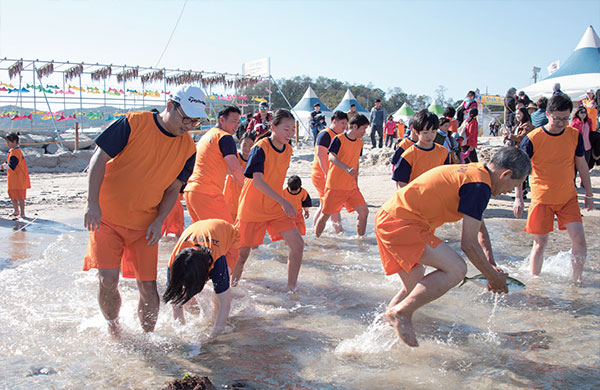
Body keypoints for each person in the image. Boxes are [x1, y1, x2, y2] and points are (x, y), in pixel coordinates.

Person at [376, 147, 531, 346]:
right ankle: (402, 313)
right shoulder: (479, 186)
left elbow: (480, 228)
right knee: (457, 269)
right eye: (515, 185)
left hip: (389, 217)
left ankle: (383, 327)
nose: (511, 191)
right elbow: (469, 244)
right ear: (506, 174)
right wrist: (493, 279)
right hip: (401, 222)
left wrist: (491, 264)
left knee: (415, 285)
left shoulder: (477, 173)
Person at [83, 84, 203, 336]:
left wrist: (159, 221)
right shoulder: (132, 123)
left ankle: (148, 338)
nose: (188, 125)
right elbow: (98, 158)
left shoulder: (188, 149)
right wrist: (92, 203)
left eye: (195, 121)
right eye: (185, 118)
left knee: (148, 286)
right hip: (105, 218)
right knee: (107, 280)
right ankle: (114, 328)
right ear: (170, 105)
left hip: (145, 224)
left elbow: (173, 190)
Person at [513, 93, 594, 283]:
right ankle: (534, 284)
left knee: (579, 240)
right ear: (548, 114)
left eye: (565, 119)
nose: (561, 123)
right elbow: (520, 170)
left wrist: (589, 194)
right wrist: (519, 197)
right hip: (541, 198)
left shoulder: (574, 136)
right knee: (540, 245)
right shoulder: (533, 138)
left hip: (568, 197)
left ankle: (577, 281)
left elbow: (582, 165)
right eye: (557, 118)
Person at [231, 109, 303, 291]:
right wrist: (284, 201)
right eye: (286, 129)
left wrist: (283, 201)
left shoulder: (288, 150)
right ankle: (229, 290)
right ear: (273, 127)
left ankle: (291, 290)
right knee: (241, 255)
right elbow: (258, 181)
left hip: (274, 208)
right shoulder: (260, 147)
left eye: (292, 130)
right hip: (251, 207)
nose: (290, 133)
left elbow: (277, 178)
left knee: (297, 244)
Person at [163, 219, 239, 337]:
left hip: (230, 237)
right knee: (181, 294)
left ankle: (214, 319)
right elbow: (175, 300)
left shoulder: (217, 262)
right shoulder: (175, 264)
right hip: (200, 231)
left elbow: (225, 303)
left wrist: (214, 336)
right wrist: (181, 333)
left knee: (220, 291)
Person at [184, 106, 245, 224]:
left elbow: (223, 168)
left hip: (192, 191)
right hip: (207, 193)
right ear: (222, 120)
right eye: (234, 121)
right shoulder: (225, 137)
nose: (236, 126)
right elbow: (235, 168)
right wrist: (248, 187)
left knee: (204, 238)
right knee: (227, 234)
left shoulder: (207, 135)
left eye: (238, 122)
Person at [314, 114, 370, 237]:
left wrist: (356, 183)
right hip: (335, 186)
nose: (364, 132)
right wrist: (346, 168)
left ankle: (360, 240)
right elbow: (331, 157)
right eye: (363, 128)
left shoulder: (360, 143)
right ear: (355, 126)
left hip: (351, 187)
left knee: (364, 212)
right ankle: (316, 239)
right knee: (325, 214)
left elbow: (356, 163)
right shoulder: (339, 139)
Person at [311, 111, 348, 233]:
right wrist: (327, 174)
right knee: (333, 204)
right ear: (334, 121)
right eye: (342, 123)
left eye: (346, 124)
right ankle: (340, 233)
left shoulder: (339, 136)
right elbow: (321, 155)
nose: (344, 126)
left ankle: (314, 231)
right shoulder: (325, 134)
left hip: (330, 175)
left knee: (324, 205)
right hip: (321, 175)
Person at [393, 110, 450, 188]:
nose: (429, 136)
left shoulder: (443, 152)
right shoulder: (408, 155)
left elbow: (446, 176)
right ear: (416, 131)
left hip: (436, 196)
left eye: (433, 132)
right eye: (425, 132)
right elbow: (401, 183)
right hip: (415, 197)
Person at [223, 133, 255, 221]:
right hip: (231, 199)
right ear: (239, 144)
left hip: (247, 201)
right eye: (244, 145)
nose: (247, 148)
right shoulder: (234, 157)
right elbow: (228, 169)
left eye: (251, 145)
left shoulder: (255, 161)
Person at [271, 175, 312, 241]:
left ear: (300, 185)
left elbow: (306, 202)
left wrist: (306, 211)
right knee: (286, 233)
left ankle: (300, 243)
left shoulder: (303, 192)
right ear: (287, 185)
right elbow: (278, 204)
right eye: (292, 190)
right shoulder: (283, 192)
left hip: (298, 216)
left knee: (301, 232)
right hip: (286, 216)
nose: (294, 192)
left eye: (296, 191)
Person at [2, 132, 30, 218]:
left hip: (18, 178)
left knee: (20, 196)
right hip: (14, 178)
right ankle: (16, 211)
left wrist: (3, 167)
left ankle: (22, 213)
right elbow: (10, 162)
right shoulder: (13, 151)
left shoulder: (15, 152)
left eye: (8, 142)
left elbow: (11, 166)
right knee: (13, 195)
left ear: (14, 142)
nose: (8, 144)